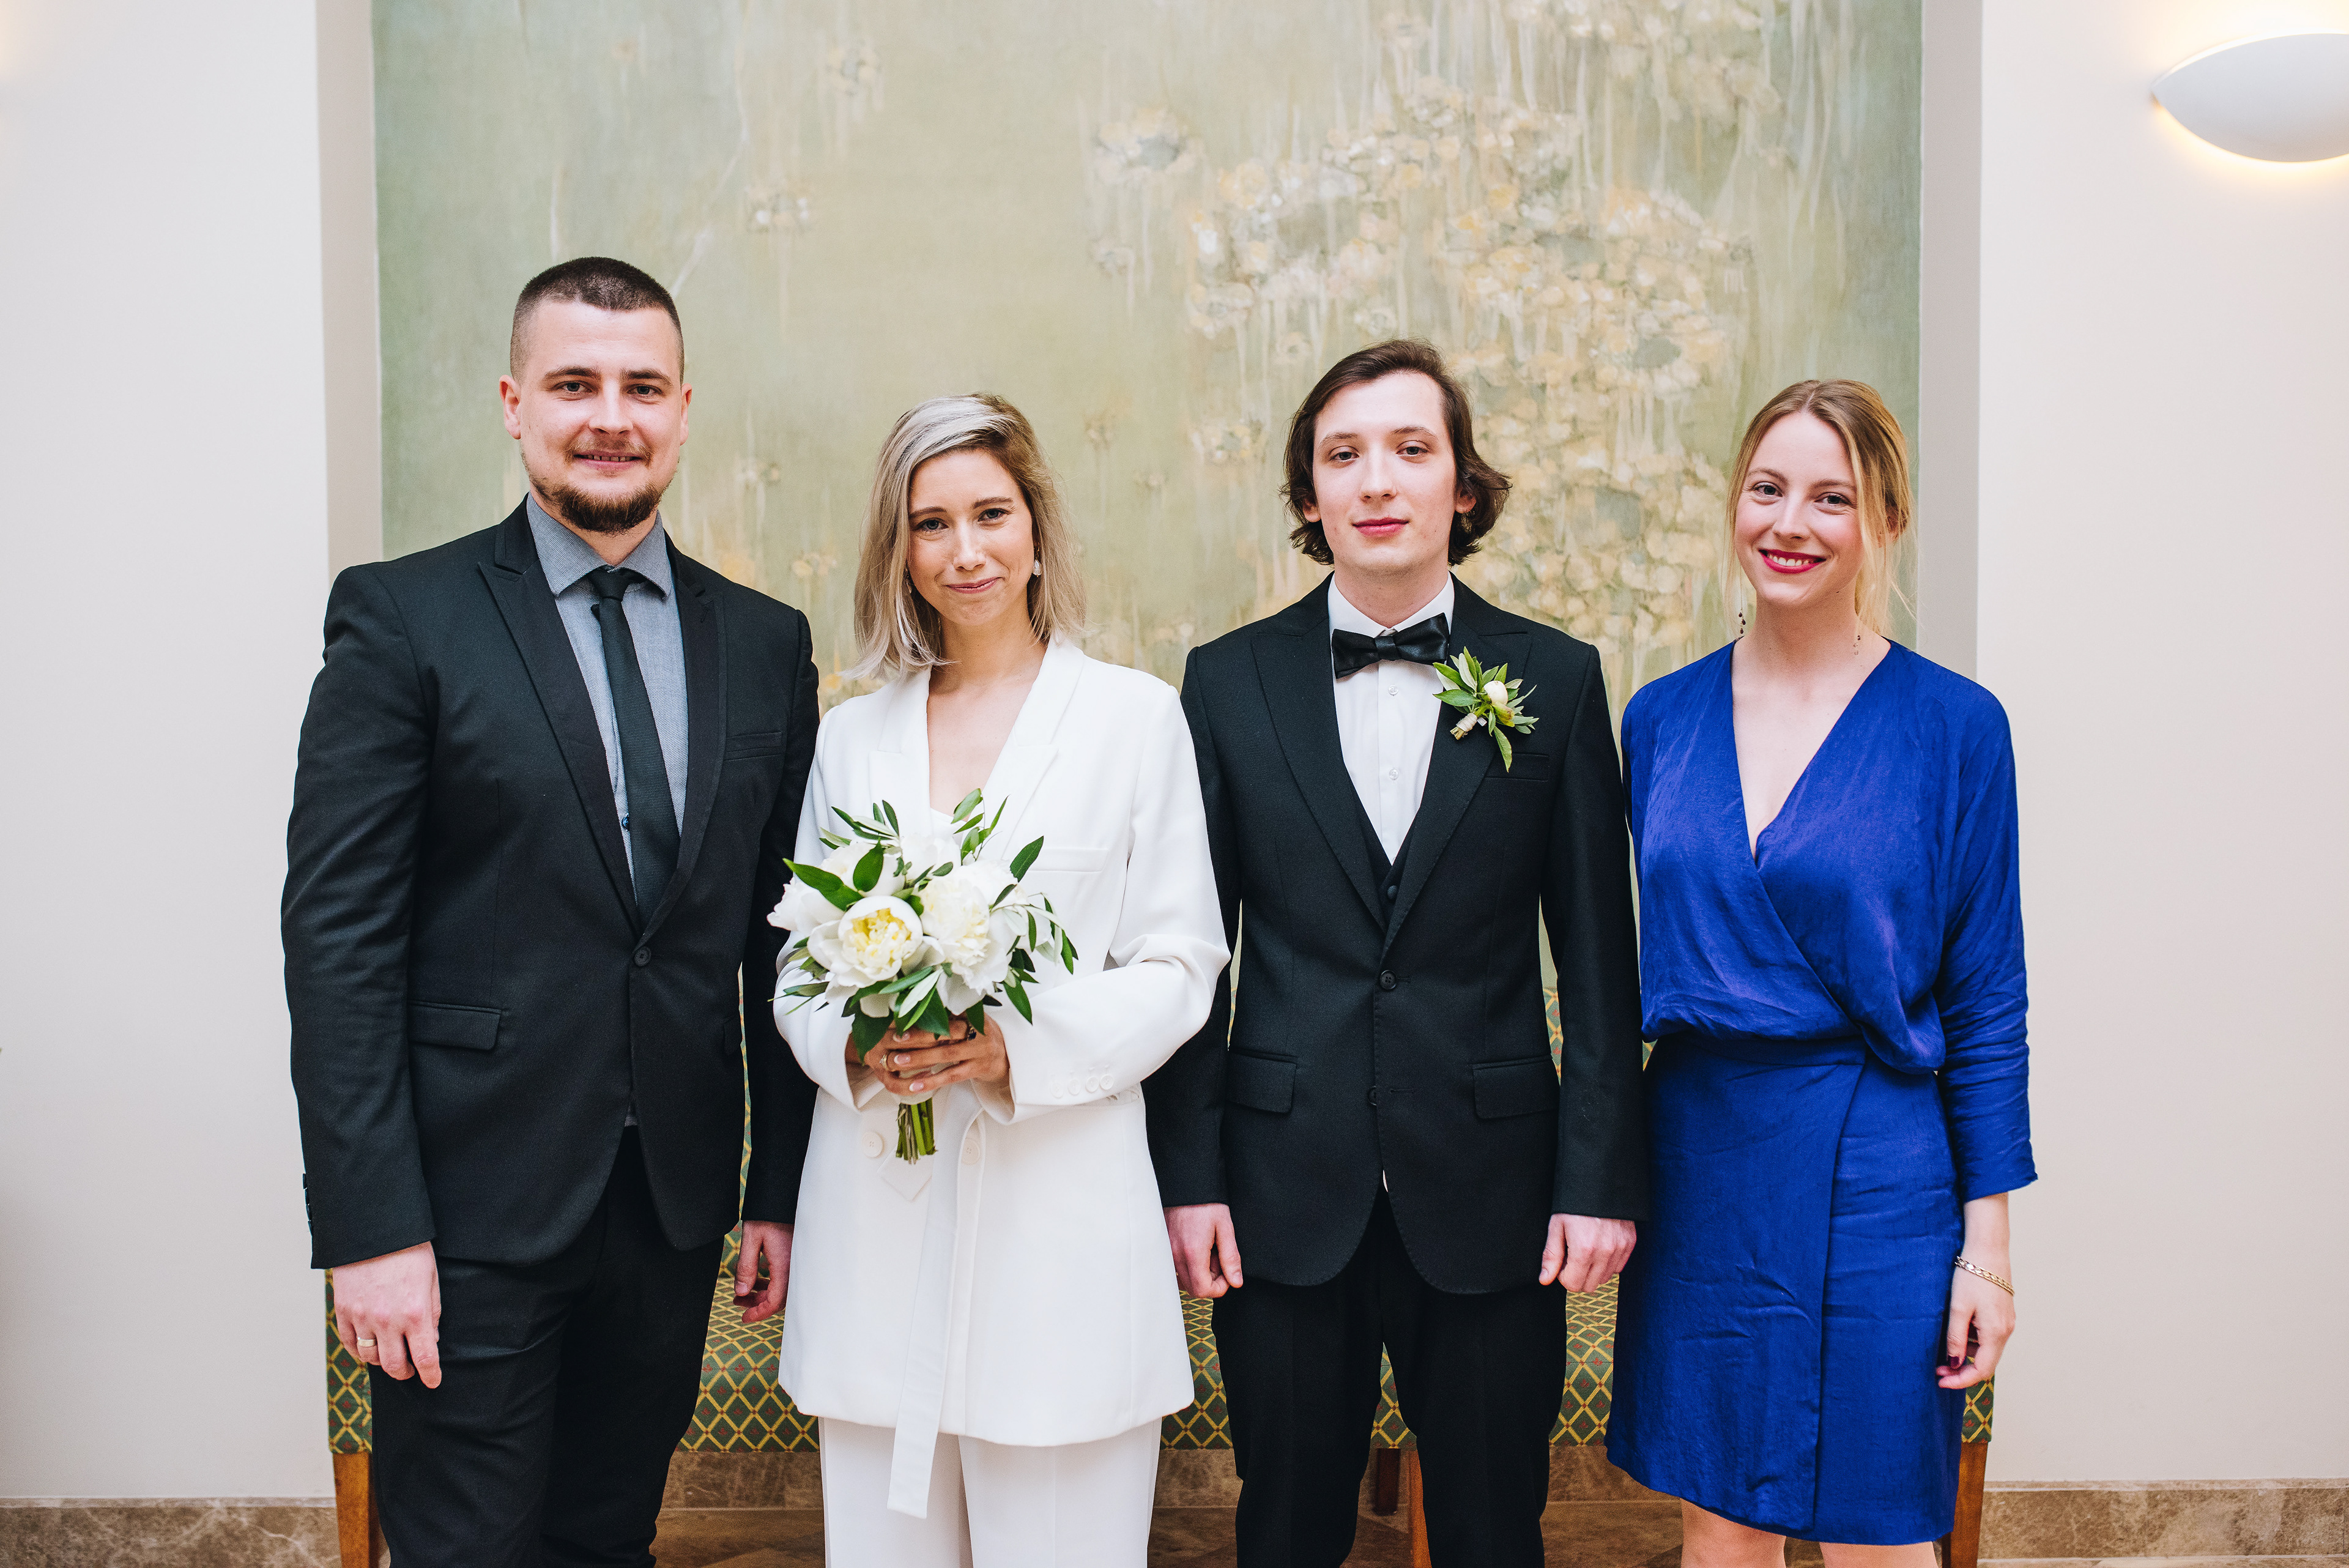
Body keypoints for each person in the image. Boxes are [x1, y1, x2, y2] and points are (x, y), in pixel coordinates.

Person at [284, 257, 822, 1568]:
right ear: (515, 403)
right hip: (464, 1212)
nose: (610, 417)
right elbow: (339, 945)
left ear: (683, 410)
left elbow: (784, 944)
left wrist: (779, 1189)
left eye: (642, 386)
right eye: (575, 384)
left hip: (672, 1206)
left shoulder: (766, 643)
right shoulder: (403, 617)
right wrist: (372, 1228)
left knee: (607, 1540)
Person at [1148, 339, 1650, 1567]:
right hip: (1280, 1189)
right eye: (1344, 455)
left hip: (1493, 1189)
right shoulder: (1225, 683)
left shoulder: (1556, 678)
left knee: (1493, 1528)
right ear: (1309, 494)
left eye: (1411, 450)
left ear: (1462, 488)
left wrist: (1597, 1179)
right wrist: (1190, 1175)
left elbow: (1600, 963)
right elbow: (1190, 958)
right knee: (1285, 1526)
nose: (1378, 480)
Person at [772, 394, 1227, 1567]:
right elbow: (797, 968)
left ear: (1036, 528)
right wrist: (859, 1046)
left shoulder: (1135, 719)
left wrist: (1011, 1046)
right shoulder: (849, 739)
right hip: (878, 1218)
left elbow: (1181, 963)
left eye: (991, 514)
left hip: (1059, 1224)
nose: (964, 551)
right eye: (931, 524)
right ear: (899, 551)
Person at [1606, 379, 2033, 1562]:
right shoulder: (1659, 719)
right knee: (1720, 1533)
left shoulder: (1957, 727)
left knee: (1881, 1536)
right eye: (1768, 489)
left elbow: (1987, 999)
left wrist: (1988, 1253)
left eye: (1831, 498)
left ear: (1885, 520)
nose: (1790, 523)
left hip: (1882, 1171)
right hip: (1701, 1164)